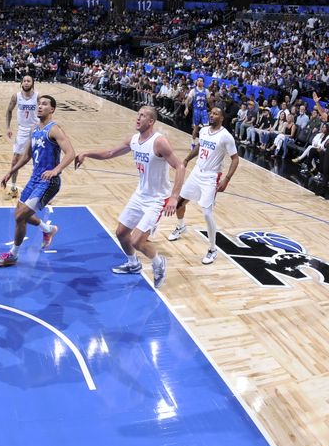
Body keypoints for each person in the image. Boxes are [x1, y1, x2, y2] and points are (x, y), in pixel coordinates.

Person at [75, 106, 185, 288]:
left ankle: (159, 262)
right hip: (140, 195)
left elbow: (180, 166)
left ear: (151, 121)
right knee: (121, 233)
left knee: (137, 240)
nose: (138, 117)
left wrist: (174, 197)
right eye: (138, 114)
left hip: (157, 200)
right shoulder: (133, 140)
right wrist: (87, 153)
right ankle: (133, 264)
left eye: (142, 115)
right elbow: (110, 153)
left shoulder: (159, 142)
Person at [0, 94, 75, 267]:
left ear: (52, 109)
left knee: (20, 216)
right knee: (19, 214)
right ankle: (48, 229)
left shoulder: (54, 129)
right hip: (34, 179)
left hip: (48, 182)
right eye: (39, 104)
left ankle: (13, 255)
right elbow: (27, 155)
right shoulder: (34, 129)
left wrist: (55, 170)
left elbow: (71, 153)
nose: (40, 106)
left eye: (44, 104)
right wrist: (11, 171)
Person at [167, 108, 239, 264]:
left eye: (215, 114)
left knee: (207, 214)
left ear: (222, 117)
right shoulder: (204, 130)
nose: (211, 115)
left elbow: (235, 159)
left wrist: (226, 179)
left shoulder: (226, 136)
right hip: (196, 172)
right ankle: (181, 226)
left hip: (211, 177)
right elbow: (200, 147)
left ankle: (213, 250)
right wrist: (186, 159)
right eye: (211, 113)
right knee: (179, 203)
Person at [4, 75, 39, 198]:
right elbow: (8, 111)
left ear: (32, 83)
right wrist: (8, 127)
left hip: (36, 131)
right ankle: (13, 188)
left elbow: (44, 112)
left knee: (39, 161)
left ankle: (41, 192)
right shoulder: (16, 96)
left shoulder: (38, 97)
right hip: (22, 131)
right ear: (21, 83)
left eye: (29, 81)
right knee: (15, 160)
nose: (26, 83)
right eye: (24, 81)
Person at [184, 76, 209, 147]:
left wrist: (212, 110)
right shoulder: (193, 91)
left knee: (206, 128)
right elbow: (187, 100)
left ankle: (203, 143)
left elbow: (209, 102)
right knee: (196, 128)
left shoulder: (206, 91)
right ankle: (193, 143)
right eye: (198, 80)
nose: (199, 82)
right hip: (196, 111)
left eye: (201, 81)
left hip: (204, 111)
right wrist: (186, 108)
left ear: (203, 83)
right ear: (196, 82)